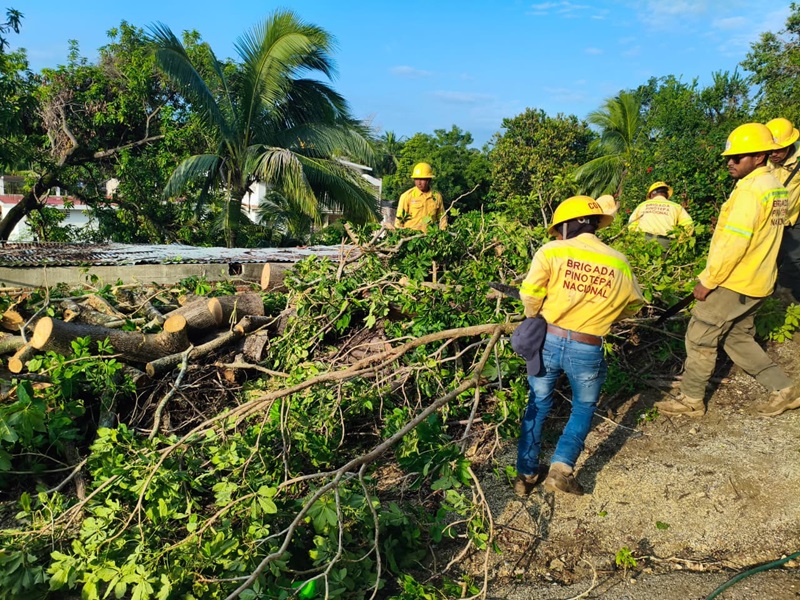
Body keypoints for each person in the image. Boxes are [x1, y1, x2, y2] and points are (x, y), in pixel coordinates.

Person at [655, 123, 800, 418]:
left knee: (700, 334)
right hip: (760, 279)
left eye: (738, 158)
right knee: (737, 338)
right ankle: (784, 389)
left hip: (737, 280)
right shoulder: (776, 188)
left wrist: (708, 280)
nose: (730, 163)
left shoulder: (750, 191)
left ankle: (691, 400)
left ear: (759, 157)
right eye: (729, 158)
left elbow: (734, 243)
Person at [514, 195, 644, 496]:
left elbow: (530, 294)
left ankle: (526, 474)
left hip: (548, 339)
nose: (558, 235)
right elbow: (634, 304)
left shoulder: (552, 251)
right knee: (583, 407)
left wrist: (535, 316)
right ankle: (562, 468)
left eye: (559, 229)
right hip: (588, 346)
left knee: (538, 403)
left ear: (569, 224)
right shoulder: (618, 261)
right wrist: (606, 314)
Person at [766, 118, 800, 302]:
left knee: (793, 263)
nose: (773, 154)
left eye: (778, 149)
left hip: (793, 219)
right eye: (770, 149)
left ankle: (789, 303)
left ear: (790, 144)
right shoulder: (765, 160)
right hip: (771, 220)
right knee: (771, 259)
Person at [627, 181, 694, 249]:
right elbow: (689, 224)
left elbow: (631, 224)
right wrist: (680, 241)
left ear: (651, 194)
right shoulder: (676, 207)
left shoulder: (642, 205)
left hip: (642, 240)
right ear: (667, 195)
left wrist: (634, 239)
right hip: (665, 243)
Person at [394, 162, 447, 232]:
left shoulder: (436, 197)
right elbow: (399, 221)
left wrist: (443, 235)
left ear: (429, 180)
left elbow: (442, 219)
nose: (418, 182)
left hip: (430, 238)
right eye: (416, 179)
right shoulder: (407, 196)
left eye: (422, 179)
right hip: (411, 239)